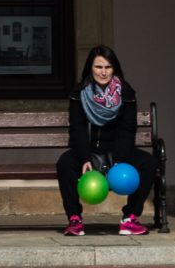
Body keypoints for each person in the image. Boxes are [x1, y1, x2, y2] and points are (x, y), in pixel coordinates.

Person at [59, 45, 154, 236]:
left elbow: (128, 129)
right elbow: (77, 128)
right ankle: (74, 220)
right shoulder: (79, 93)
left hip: (117, 153)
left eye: (108, 67)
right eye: (98, 67)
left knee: (148, 163)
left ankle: (130, 219)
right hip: (89, 152)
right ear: (90, 68)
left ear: (114, 69)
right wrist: (85, 158)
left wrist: (119, 159)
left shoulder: (126, 93)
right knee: (65, 163)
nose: (103, 72)